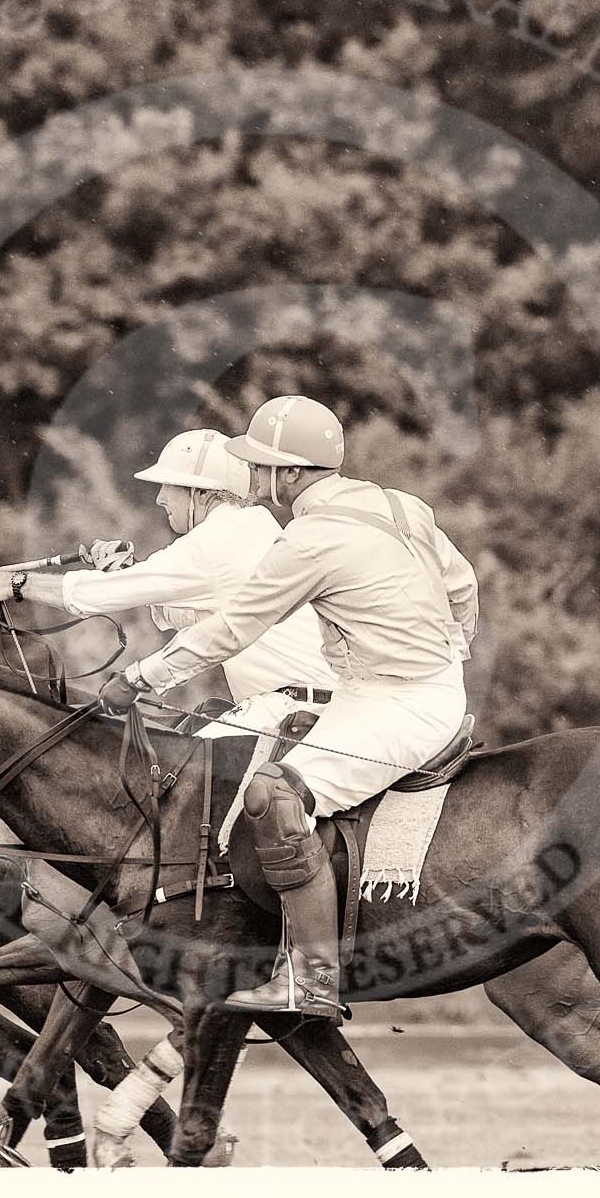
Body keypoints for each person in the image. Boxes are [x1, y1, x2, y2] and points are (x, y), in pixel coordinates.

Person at [99, 396, 479, 1020]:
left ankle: (314, 979)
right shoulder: (399, 504)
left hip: (398, 706)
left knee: (271, 796)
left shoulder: (311, 538)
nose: (250, 478)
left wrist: (144, 677)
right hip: (408, 690)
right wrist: (453, 647)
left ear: (290, 474)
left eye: (257, 465)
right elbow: (462, 584)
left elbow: (235, 629)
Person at [0, 427, 337, 749]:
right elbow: (191, 616)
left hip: (291, 708)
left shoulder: (218, 540)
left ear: (201, 493)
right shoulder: (250, 527)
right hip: (305, 702)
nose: (160, 498)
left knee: (171, 781)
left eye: (169, 486)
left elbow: (92, 596)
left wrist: (15, 583)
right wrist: (128, 573)